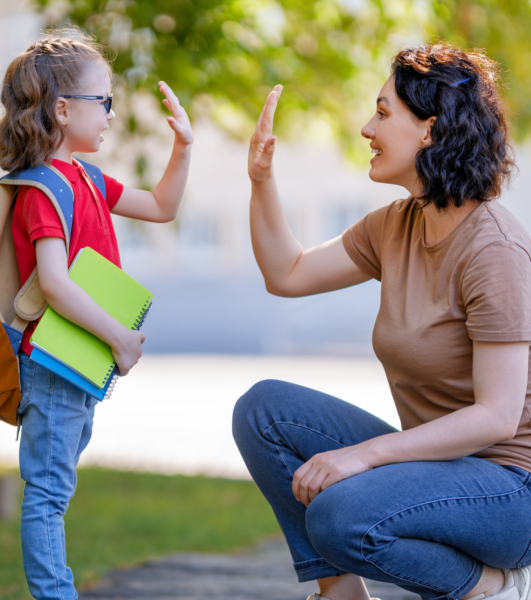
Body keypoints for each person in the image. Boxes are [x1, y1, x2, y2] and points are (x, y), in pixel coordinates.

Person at [233, 43, 531, 600]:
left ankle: (492, 587)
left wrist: (363, 455)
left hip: (512, 492)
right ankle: (339, 592)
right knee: (263, 410)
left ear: (429, 130)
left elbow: (496, 417)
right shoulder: (394, 226)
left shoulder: (495, 249)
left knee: (340, 516)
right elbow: (287, 273)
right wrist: (260, 179)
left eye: (383, 112)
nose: (367, 127)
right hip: (435, 468)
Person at [0, 30, 193, 599]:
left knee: (58, 484)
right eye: (102, 101)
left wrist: (183, 148)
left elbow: (162, 206)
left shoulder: (87, 179)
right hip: (56, 363)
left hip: (78, 364)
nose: (110, 113)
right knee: (49, 493)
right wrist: (120, 339)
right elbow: (54, 284)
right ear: (62, 109)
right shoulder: (42, 192)